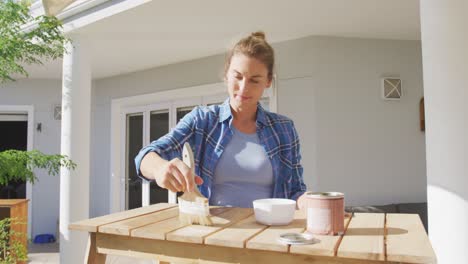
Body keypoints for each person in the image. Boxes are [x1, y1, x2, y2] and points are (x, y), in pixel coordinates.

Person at [135, 31, 307, 208]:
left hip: (268, 231)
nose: (243, 88)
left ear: (268, 81)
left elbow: (295, 191)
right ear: (226, 75)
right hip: (213, 230)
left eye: (254, 80)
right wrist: (160, 168)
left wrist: (313, 202)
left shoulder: (284, 129)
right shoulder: (202, 120)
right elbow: (144, 158)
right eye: (238, 77)